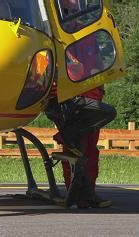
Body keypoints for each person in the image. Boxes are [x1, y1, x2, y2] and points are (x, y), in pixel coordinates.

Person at [45, 0, 116, 208]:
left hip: (92, 97)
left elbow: (98, 66)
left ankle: (88, 192)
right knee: (73, 148)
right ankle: (75, 193)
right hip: (69, 99)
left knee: (90, 149)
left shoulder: (89, 33)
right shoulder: (54, 35)